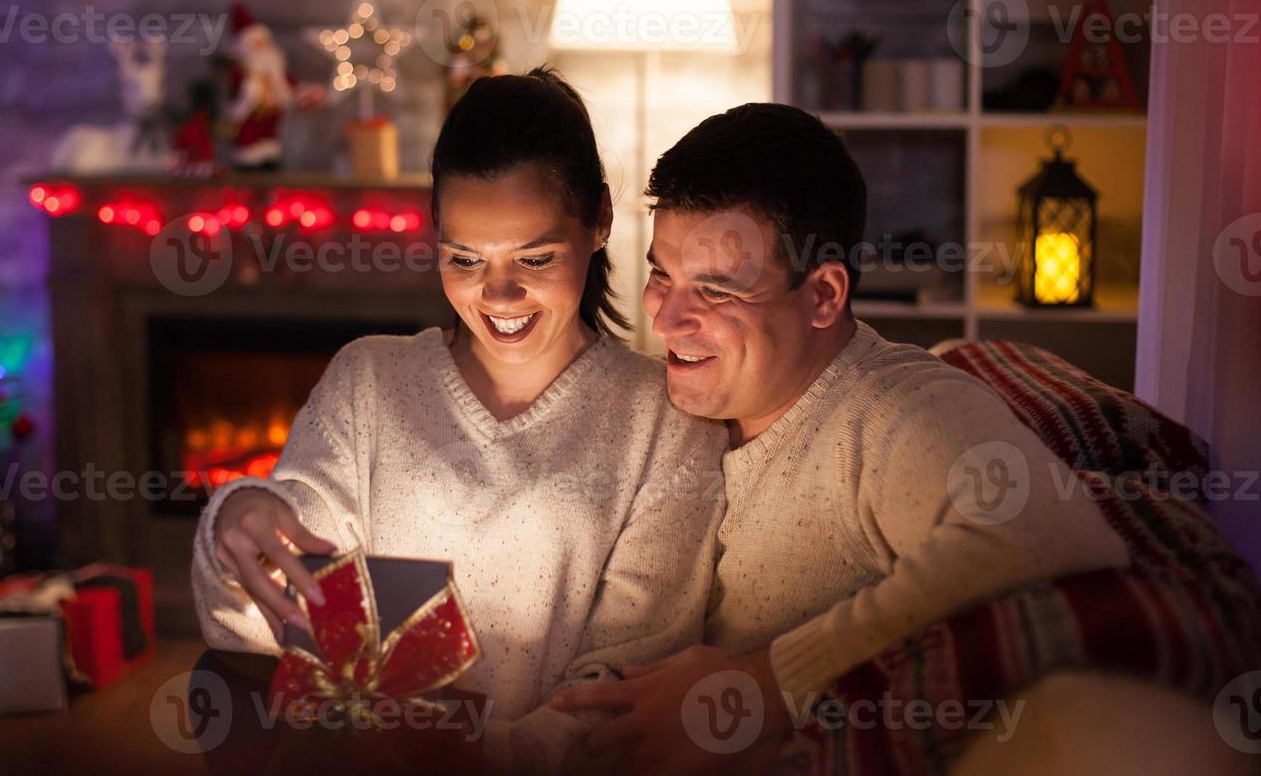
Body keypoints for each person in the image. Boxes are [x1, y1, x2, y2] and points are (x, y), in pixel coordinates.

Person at [552, 103, 1133, 771]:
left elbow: (1048, 531)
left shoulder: (890, 409)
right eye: (661, 275)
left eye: (714, 291)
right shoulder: (677, 405)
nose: (668, 316)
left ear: (824, 295)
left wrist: (768, 682)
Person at [191, 69, 726, 772]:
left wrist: (476, 757)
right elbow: (269, 599)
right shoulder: (370, 379)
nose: (498, 294)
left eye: (535, 257)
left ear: (599, 221)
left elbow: (626, 678)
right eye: (464, 259)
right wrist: (245, 522)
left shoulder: (665, 417)